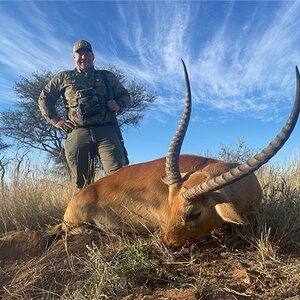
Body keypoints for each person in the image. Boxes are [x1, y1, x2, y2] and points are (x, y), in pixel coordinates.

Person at [39, 39, 130, 189]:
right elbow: (44, 99)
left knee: (118, 178)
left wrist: (118, 104)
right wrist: (56, 121)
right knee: (82, 184)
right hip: (77, 132)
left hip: (106, 131)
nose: (83, 57)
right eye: (79, 54)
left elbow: (126, 96)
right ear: (74, 58)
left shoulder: (107, 76)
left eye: (87, 54)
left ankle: (117, 211)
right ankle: (85, 212)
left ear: (93, 56)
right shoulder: (63, 77)